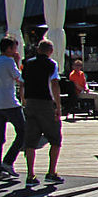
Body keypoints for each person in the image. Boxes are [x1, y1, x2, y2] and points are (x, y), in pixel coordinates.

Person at [21, 39, 63, 186]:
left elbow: (22, 83)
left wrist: (23, 101)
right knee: (55, 139)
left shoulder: (27, 63)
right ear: (50, 51)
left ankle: (30, 175)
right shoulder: (52, 64)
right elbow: (55, 84)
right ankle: (51, 172)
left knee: (31, 141)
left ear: (38, 50)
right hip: (45, 103)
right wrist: (58, 106)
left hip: (30, 102)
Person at [0, 36, 24, 180]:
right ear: (9, 49)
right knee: (23, 132)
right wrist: (17, 62)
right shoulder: (9, 61)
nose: (16, 51)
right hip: (10, 103)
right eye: (14, 48)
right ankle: (8, 161)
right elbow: (19, 78)